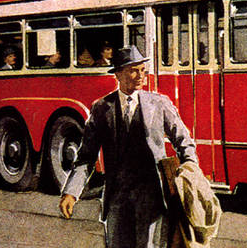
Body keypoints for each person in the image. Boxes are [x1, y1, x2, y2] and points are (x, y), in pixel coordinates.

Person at [59, 46, 198, 248]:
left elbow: (184, 141)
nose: (140, 75)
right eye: (133, 70)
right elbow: (86, 157)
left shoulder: (159, 104)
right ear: (118, 74)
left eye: (142, 70)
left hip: (152, 197)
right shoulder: (101, 108)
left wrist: (191, 173)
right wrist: (71, 192)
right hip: (117, 198)